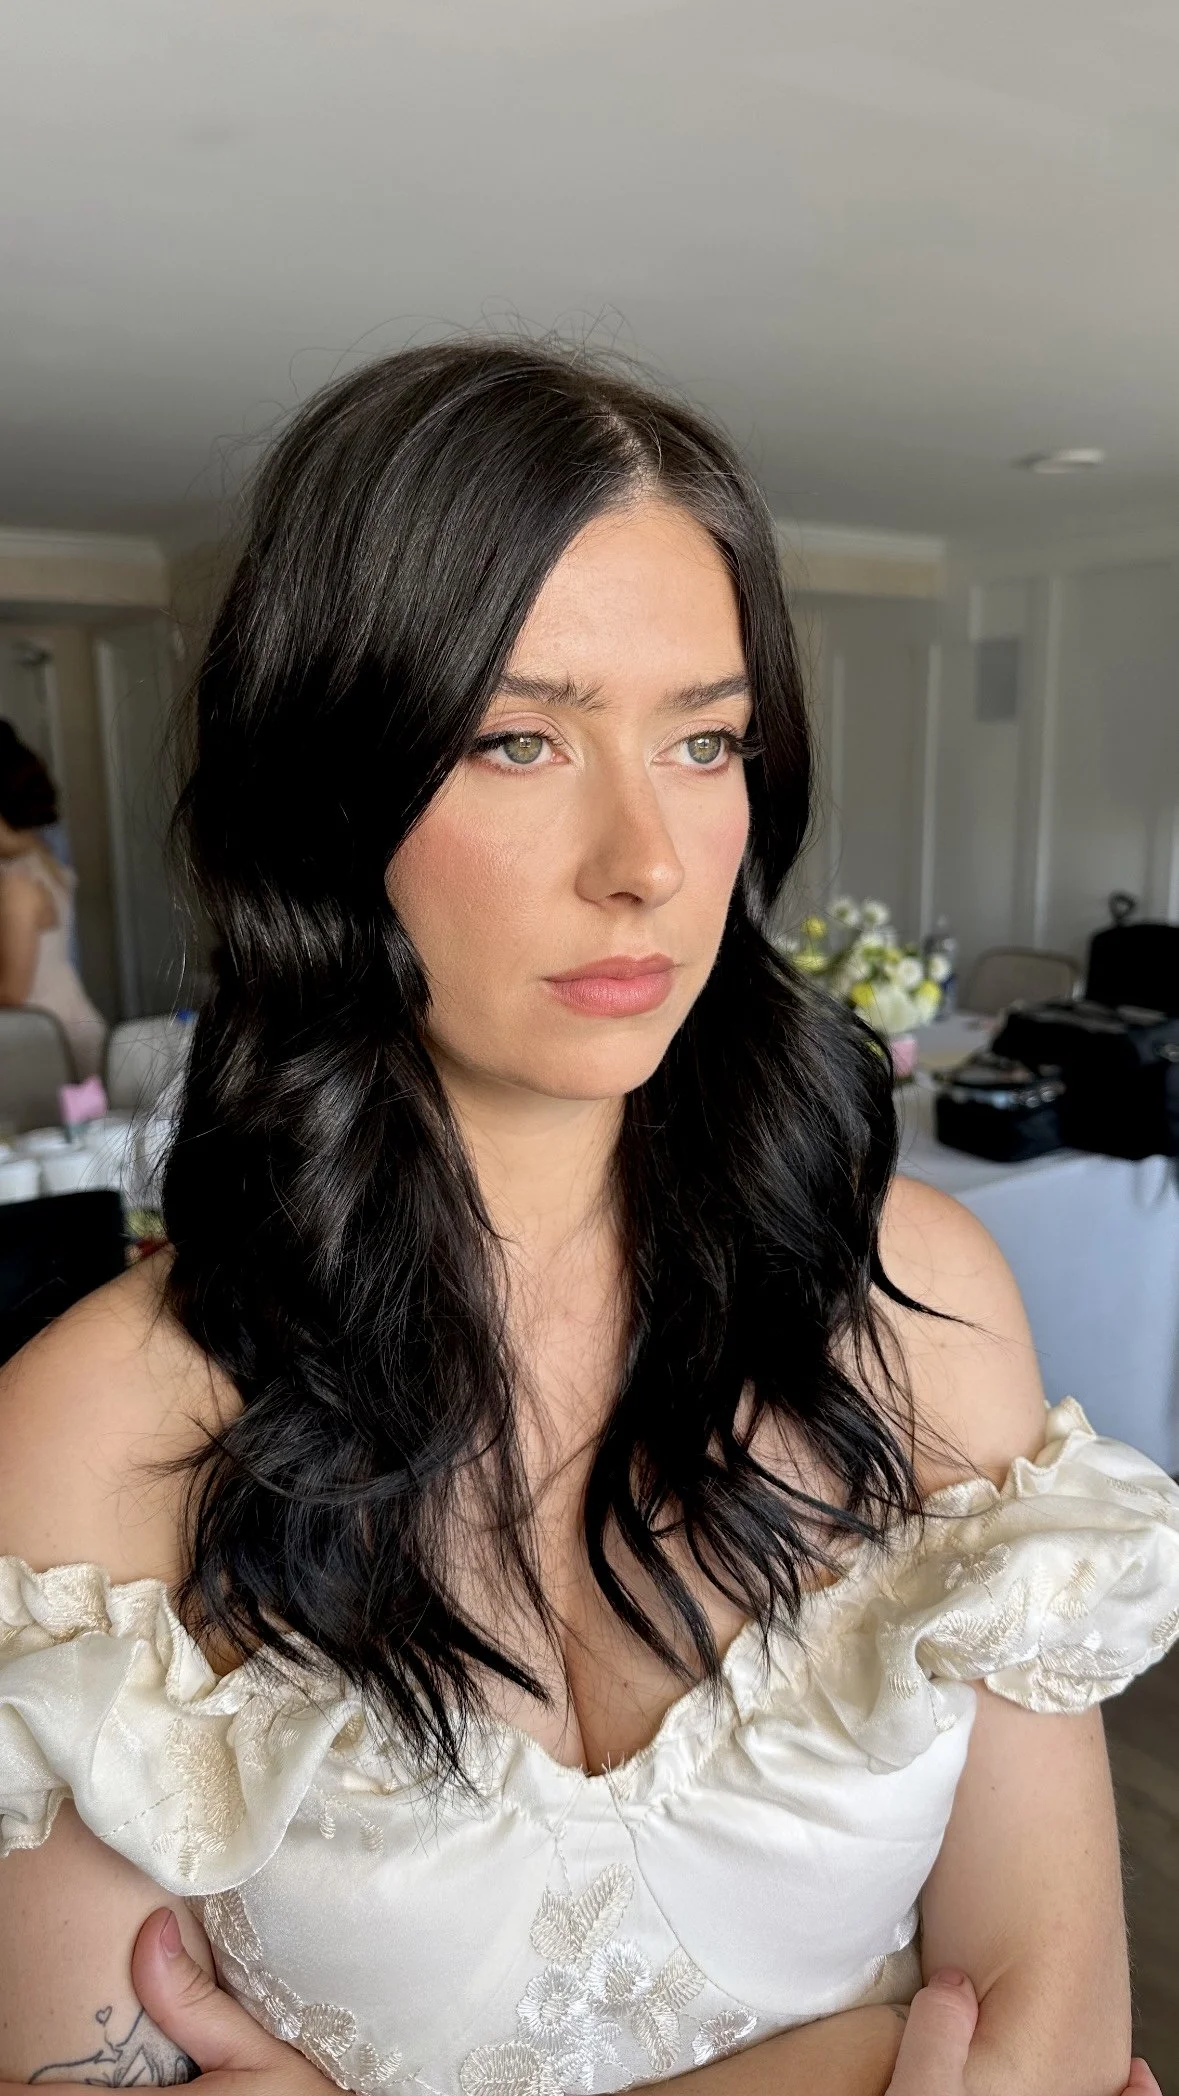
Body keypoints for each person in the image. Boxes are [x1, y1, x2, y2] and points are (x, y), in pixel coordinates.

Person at [0, 342, 1174, 2096]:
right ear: (330, 802)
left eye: (702, 739)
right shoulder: (109, 1422)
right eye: (514, 737)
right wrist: (845, 2068)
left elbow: (1053, 2031)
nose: (644, 854)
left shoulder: (918, 1303)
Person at [0, 719, 106, 1079]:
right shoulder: (41, 855)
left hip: (50, 1044)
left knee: (57, 1134)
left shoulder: (19, 883)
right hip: (66, 1028)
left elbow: (13, 991)